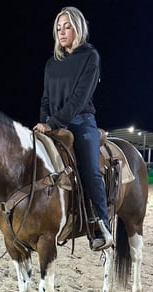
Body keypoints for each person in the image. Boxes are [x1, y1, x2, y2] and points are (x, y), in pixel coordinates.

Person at [33, 6, 113, 251]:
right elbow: (45, 99)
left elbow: (79, 98)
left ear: (78, 28)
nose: (62, 31)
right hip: (53, 124)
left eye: (67, 26)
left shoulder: (90, 56)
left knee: (89, 167)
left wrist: (53, 122)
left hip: (81, 122)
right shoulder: (51, 63)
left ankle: (102, 224)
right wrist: (44, 122)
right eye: (59, 28)